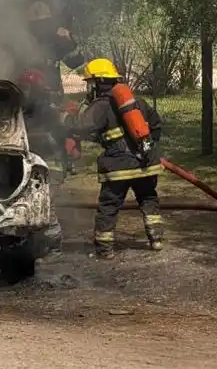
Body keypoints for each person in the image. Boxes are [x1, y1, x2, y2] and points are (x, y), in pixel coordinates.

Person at [66, 58, 165, 258]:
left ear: (99, 82)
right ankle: (156, 240)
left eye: (90, 83)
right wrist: (145, 147)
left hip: (118, 167)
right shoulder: (137, 103)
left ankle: (105, 250)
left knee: (109, 206)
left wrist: (66, 119)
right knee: (148, 199)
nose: (89, 88)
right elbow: (156, 125)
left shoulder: (100, 106)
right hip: (145, 164)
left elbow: (82, 128)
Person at [26, 0, 88, 94]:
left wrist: (69, 42)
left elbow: (76, 63)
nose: (41, 28)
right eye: (36, 24)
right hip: (24, 92)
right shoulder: (23, 40)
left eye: (44, 23)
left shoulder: (56, 40)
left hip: (51, 92)